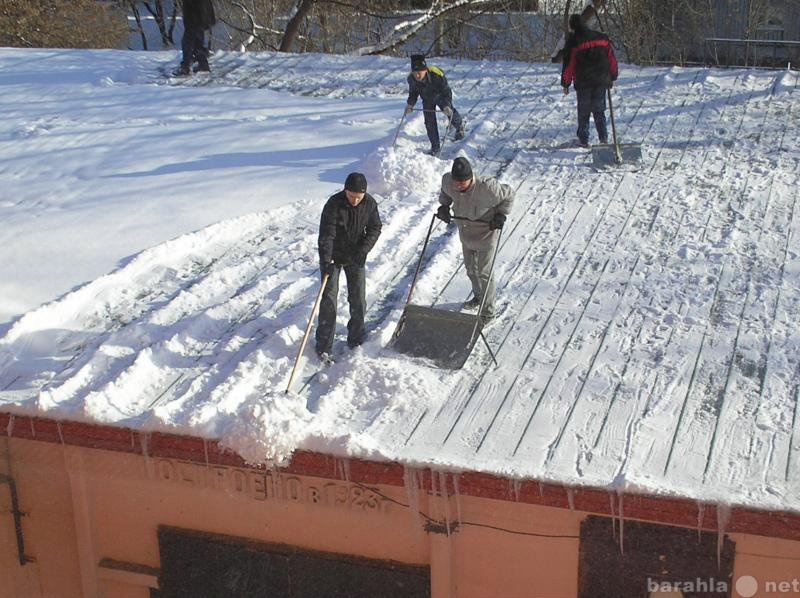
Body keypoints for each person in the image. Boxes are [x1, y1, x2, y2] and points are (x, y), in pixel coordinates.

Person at [436, 157, 514, 322]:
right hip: (466, 231)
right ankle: (479, 297)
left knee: (484, 273)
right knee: (471, 269)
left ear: (471, 177)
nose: (458, 185)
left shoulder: (488, 188)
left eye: (463, 182)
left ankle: (488, 310)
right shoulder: (448, 181)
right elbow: (445, 192)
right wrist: (444, 206)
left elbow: (509, 195)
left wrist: (501, 215)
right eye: (456, 181)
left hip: (486, 232)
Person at [315, 172, 382, 360]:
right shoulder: (333, 204)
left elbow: (375, 228)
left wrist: (363, 251)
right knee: (328, 299)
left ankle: (356, 338)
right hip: (333, 258)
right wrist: (326, 261)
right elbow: (326, 236)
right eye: (351, 196)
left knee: (358, 298)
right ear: (345, 191)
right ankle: (323, 345)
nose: (354, 201)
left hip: (355, 256)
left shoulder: (369, 204)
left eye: (358, 197)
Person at [560, 12, 618, 148]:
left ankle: (584, 140)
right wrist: (613, 75)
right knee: (599, 110)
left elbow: (569, 65)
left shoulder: (573, 42)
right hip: (601, 80)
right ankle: (603, 139)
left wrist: (565, 83)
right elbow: (611, 58)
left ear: (572, 27)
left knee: (584, 112)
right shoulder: (601, 38)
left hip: (584, 82)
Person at [405, 54, 466, 155]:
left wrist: (446, 105)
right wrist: (410, 105)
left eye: (419, 73)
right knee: (429, 122)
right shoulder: (411, 79)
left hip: (440, 96)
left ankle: (459, 127)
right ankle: (435, 147)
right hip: (426, 99)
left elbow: (446, 92)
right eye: (415, 73)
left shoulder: (436, 75)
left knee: (450, 112)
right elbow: (413, 93)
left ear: (425, 70)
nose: (417, 76)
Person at [174, 0, 216, 76]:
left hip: (195, 18)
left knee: (187, 43)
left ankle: (185, 67)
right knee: (198, 41)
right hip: (201, 18)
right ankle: (203, 64)